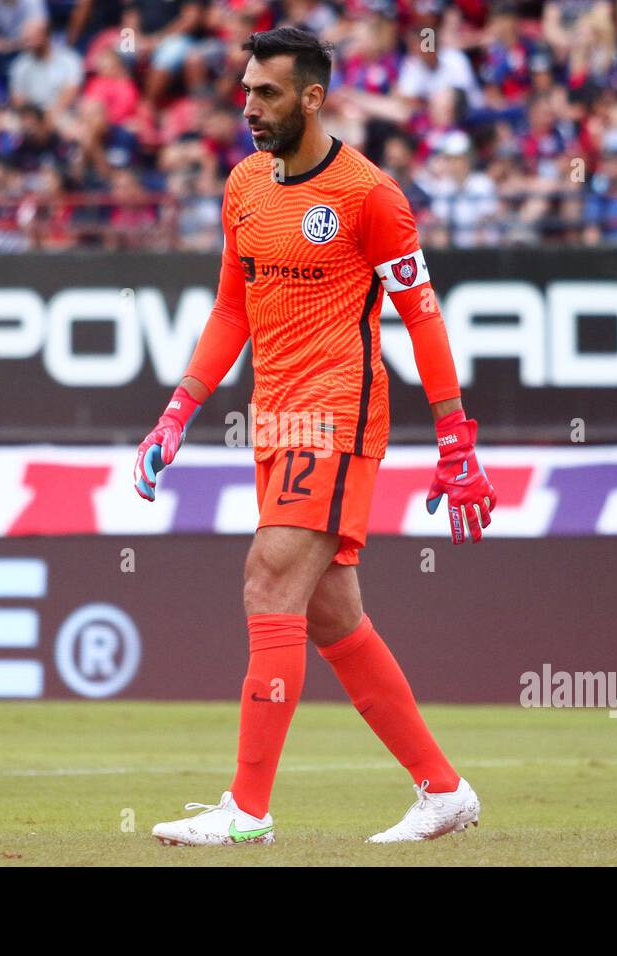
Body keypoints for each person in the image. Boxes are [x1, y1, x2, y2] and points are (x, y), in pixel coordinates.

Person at [133, 27, 496, 847]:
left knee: (267, 580)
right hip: (274, 418)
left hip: (338, 413)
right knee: (330, 616)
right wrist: (178, 411)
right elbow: (232, 308)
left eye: (267, 93)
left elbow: (423, 317)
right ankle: (444, 791)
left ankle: (247, 812)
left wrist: (455, 438)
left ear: (313, 97)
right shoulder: (243, 187)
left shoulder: (371, 196)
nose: (249, 107)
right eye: (247, 90)